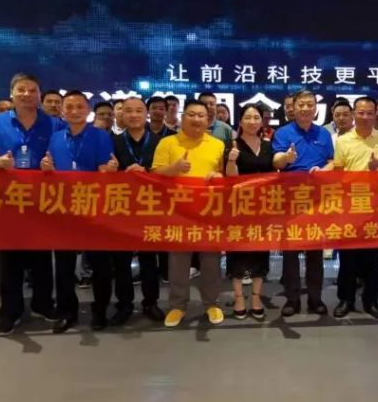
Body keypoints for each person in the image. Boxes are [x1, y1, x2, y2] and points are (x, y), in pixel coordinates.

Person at [0, 72, 66, 335]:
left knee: (42, 257)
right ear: (12, 93)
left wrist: (52, 166)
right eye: (21, 89)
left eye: (32, 90)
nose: (27, 94)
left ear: (39, 94)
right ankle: (11, 310)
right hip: (9, 198)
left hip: (43, 200)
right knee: (10, 259)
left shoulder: (55, 124)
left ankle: (43, 304)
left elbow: (62, 160)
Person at [42, 90, 118, 333]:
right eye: (69, 107)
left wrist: (108, 170)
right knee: (64, 265)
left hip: (94, 207)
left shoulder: (100, 136)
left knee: (100, 264)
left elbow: (104, 169)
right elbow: (52, 169)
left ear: (88, 110)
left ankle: (100, 310)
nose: (74, 111)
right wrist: (46, 168)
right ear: (62, 111)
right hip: (64, 209)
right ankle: (67, 311)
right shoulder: (55, 137)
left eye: (80, 107)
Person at [152, 99, 226, 327]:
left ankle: (212, 303)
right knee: (178, 262)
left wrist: (218, 177)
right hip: (178, 211)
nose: (196, 119)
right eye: (191, 114)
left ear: (208, 120)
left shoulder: (217, 144)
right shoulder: (167, 143)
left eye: (201, 115)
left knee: (211, 261)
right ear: (183, 118)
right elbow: (154, 174)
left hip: (208, 211)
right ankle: (177, 305)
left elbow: (223, 174)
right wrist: (173, 169)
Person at [106, 96, 173, 327]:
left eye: (138, 111)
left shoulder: (162, 142)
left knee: (149, 259)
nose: (133, 115)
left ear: (146, 114)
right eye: (128, 111)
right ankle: (124, 304)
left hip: (151, 207)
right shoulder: (112, 141)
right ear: (121, 114)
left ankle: (150, 302)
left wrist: (147, 172)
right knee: (121, 260)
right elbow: (102, 174)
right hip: (122, 207)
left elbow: (169, 174)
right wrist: (117, 172)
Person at [332, 96, 378, 319]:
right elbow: (338, 172)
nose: (365, 117)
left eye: (370, 113)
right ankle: (346, 300)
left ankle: (371, 301)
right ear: (354, 114)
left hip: (376, 206)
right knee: (348, 258)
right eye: (361, 113)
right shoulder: (343, 140)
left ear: (376, 114)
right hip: (350, 205)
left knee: (372, 258)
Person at [272, 90, 333, 317]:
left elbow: (332, 161)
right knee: (290, 251)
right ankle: (293, 299)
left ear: (316, 108)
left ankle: (316, 298)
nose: (306, 108)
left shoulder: (323, 133)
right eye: (301, 105)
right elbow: (276, 161)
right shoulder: (283, 133)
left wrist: (325, 170)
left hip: (317, 199)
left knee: (315, 252)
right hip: (291, 199)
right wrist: (286, 158)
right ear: (293, 108)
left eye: (310, 104)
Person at [224, 103, 273, 320]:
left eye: (256, 118)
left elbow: (274, 173)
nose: (252, 121)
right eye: (248, 117)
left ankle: (255, 297)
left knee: (260, 252)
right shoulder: (232, 145)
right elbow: (230, 177)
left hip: (262, 207)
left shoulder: (268, 145)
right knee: (238, 252)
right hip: (239, 207)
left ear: (262, 121)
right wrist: (231, 160)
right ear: (241, 121)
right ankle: (238, 298)